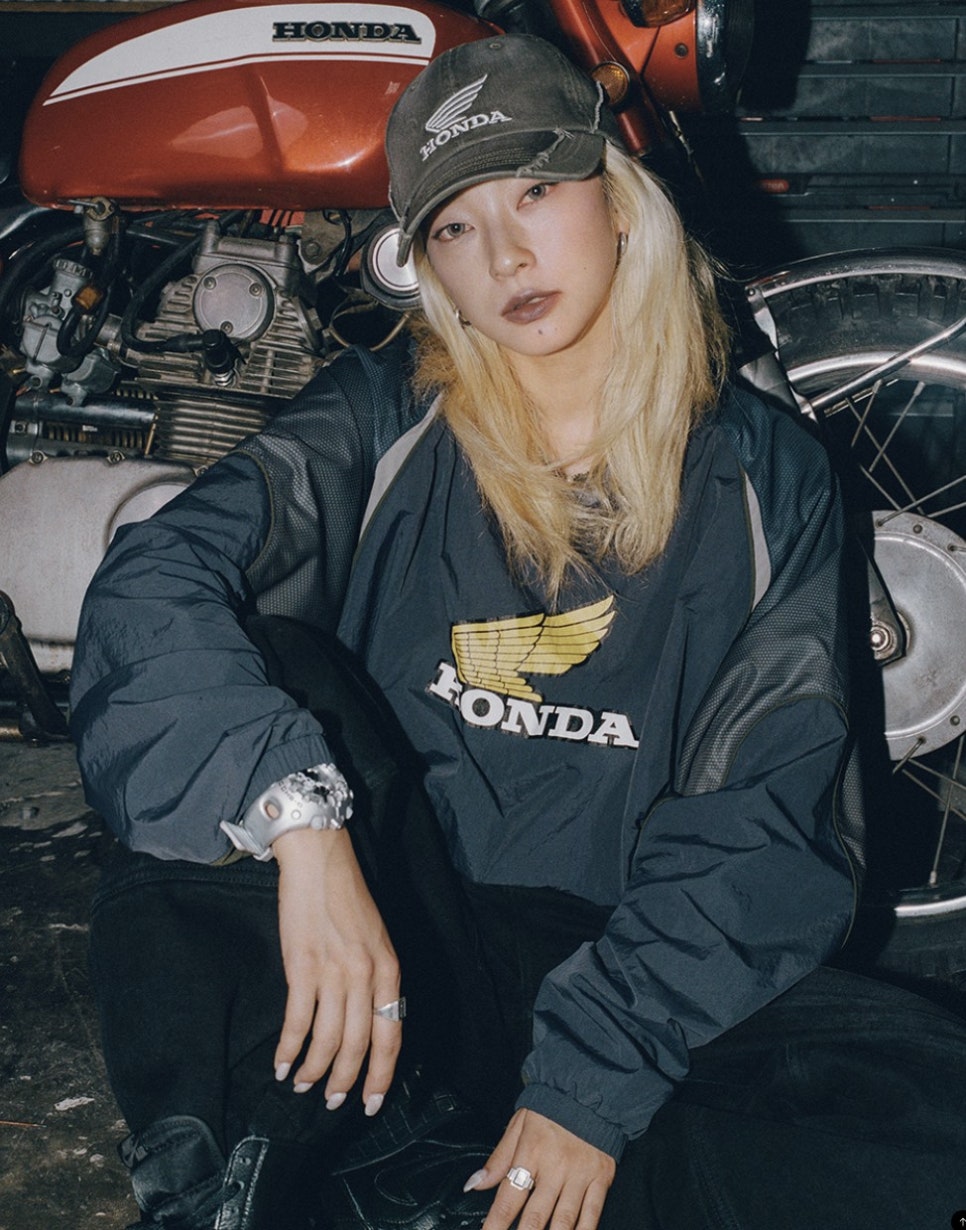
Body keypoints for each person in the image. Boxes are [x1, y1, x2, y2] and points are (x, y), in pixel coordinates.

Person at [70, 33, 966, 1230]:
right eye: (455, 224)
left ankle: (447, 1187)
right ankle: (255, 1180)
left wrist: (590, 1083)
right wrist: (302, 829)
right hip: (394, 936)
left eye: (536, 190)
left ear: (618, 200)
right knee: (256, 693)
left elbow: (761, 814)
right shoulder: (383, 414)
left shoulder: (766, 471)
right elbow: (154, 582)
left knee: (927, 1103)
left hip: (622, 958)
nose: (504, 254)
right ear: (429, 263)